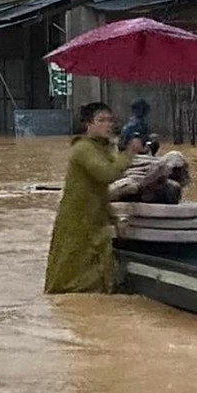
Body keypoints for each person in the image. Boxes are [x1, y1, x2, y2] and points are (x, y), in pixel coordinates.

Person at [45, 103, 144, 294]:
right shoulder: (83, 149)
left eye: (110, 120)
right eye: (101, 120)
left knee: (98, 266)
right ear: (88, 124)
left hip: (97, 214)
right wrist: (130, 153)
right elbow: (107, 174)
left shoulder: (105, 148)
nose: (108, 125)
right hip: (77, 218)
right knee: (72, 268)